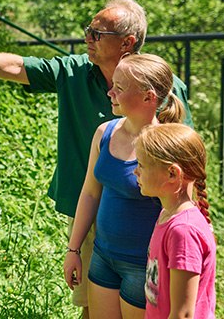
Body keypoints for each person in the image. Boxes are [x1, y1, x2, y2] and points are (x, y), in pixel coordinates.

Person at [0, 0, 193, 316]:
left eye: (97, 34)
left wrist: (190, 228)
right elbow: (19, 65)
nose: (87, 39)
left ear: (127, 42)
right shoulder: (73, 71)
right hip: (92, 217)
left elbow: (184, 166)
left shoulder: (164, 87)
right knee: (92, 306)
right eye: (88, 30)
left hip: (148, 220)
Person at [63, 54, 185, 319]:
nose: (110, 92)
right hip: (103, 259)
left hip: (144, 266)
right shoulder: (103, 132)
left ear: (147, 97)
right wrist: (73, 250)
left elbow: (183, 214)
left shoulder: (167, 147)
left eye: (119, 87)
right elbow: (90, 193)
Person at [134, 123, 216, 319]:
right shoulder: (167, 214)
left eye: (141, 166)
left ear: (172, 173)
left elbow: (183, 314)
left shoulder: (183, 231)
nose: (135, 172)